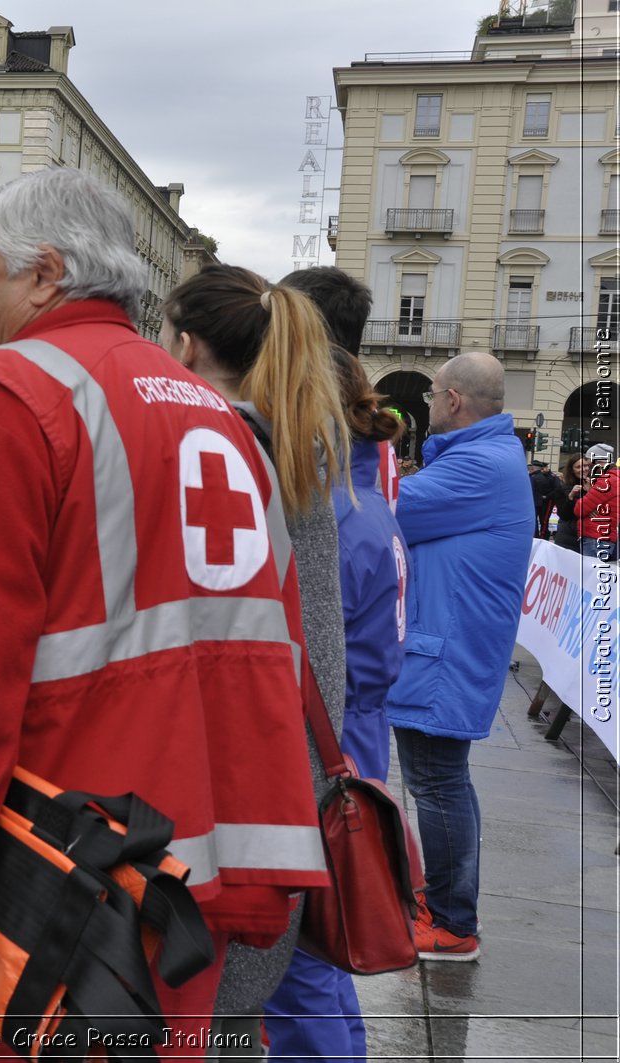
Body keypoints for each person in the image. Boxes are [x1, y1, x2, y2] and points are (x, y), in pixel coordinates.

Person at [0, 168, 326, 1056]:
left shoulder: (6, 403)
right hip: (188, 874)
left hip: (49, 884)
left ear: (45, 274)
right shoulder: (219, 418)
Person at [161, 261, 352, 1049]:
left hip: (229, 803)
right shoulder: (297, 443)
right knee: (239, 1022)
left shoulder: (206, 452)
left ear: (187, 343)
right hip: (288, 792)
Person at [263, 348, 412, 1062]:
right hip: (356, 735)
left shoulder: (332, 517)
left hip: (325, 754)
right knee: (325, 951)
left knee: (298, 972)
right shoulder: (364, 502)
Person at [388, 352, 534, 962]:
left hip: (445, 654)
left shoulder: (479, 465)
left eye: (430, 397)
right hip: (445, 647)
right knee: (442, 781)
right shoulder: (491, 459)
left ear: (452, 401)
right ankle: (446, 908)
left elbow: (388, 510)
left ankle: (451, 923)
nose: (425, 407)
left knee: (436, 783)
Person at [573, 443, 617, 562]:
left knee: (590, 578)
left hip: (595, 538)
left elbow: (579, 509)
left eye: (589, 463)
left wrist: (587, 496)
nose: (588, 467)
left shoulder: (606, 481)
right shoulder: (614, 478)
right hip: (603, 536)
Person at [550, 453, 588, 552]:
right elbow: (564, 515)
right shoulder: (563, 487)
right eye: (578, 467)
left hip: (588, 537)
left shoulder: (595, 484)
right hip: (568, 538)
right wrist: (570, 496)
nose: (583, 469)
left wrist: (590, 491)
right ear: (571, 470)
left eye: (585, 465)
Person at [528, 459, 560, 538]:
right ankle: (541, 535)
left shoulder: (551, 477)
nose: (543, 470)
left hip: (547, 501)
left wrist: (547, 496)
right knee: (542, 520)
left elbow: (556, 489)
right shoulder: (541, 476)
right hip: (541, 501)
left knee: (544, 521)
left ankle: (543, 536)